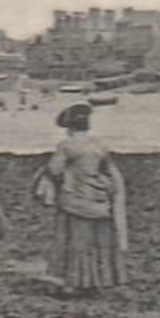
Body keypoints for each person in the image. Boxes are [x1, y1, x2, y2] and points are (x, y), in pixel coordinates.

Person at [39, 103, 128, 295]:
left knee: (72, 242)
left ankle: (72, 282)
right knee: (97, 243)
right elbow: (107, 171)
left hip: (75, 201)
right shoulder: (100, 145)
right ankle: (95, 282)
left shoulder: (66, 146)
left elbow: (54, 170)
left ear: (70, 128)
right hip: (98, 201)